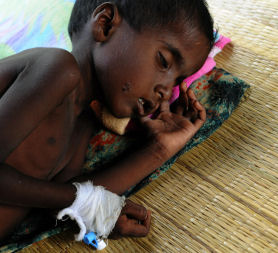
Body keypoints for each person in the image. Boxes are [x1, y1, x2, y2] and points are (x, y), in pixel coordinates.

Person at [0, 0, 214, 242]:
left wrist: (159, 150)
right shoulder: (57, 68)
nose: (166, 91)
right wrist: (85, 203)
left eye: (177, 81)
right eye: (164, 61)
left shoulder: (82, 124)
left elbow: (58, 202)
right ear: (105, 24)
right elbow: (73, 198)